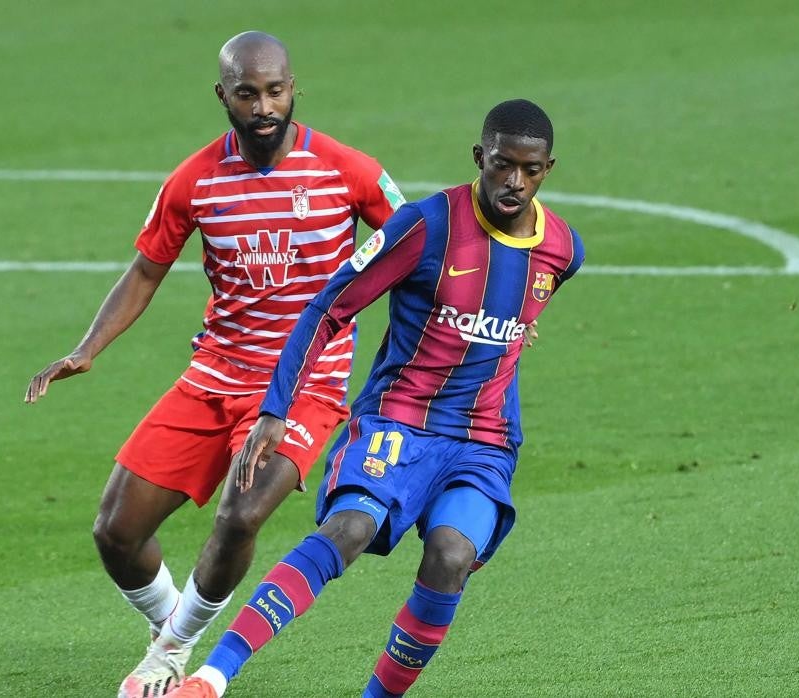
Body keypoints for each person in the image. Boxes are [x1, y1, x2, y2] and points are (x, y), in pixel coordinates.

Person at [23, 31, 406, 698]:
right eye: (249, 93)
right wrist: (86, 349)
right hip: (216, 374)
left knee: (241, 513)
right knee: (115, 531)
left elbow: (415, 245)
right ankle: (171, 620)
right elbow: (146, 270)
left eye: (276, 91)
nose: (264, 106)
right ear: (223, 96)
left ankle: (172, 653)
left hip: (305, 386)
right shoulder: (196, 179)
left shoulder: (347, 170)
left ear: (294, 90)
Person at [170, 98, 584, 697]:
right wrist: (274, 410)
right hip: (401, 420)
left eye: (530, 168)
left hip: (483, 443)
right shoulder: (425, 225)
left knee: (450, 556)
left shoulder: (564, 251)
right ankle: (212, 677)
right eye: (501, 165)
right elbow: (327, 308)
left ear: (548, 168)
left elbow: (511, 333)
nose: (514, 181)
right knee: (352, 528)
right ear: (480, 158)